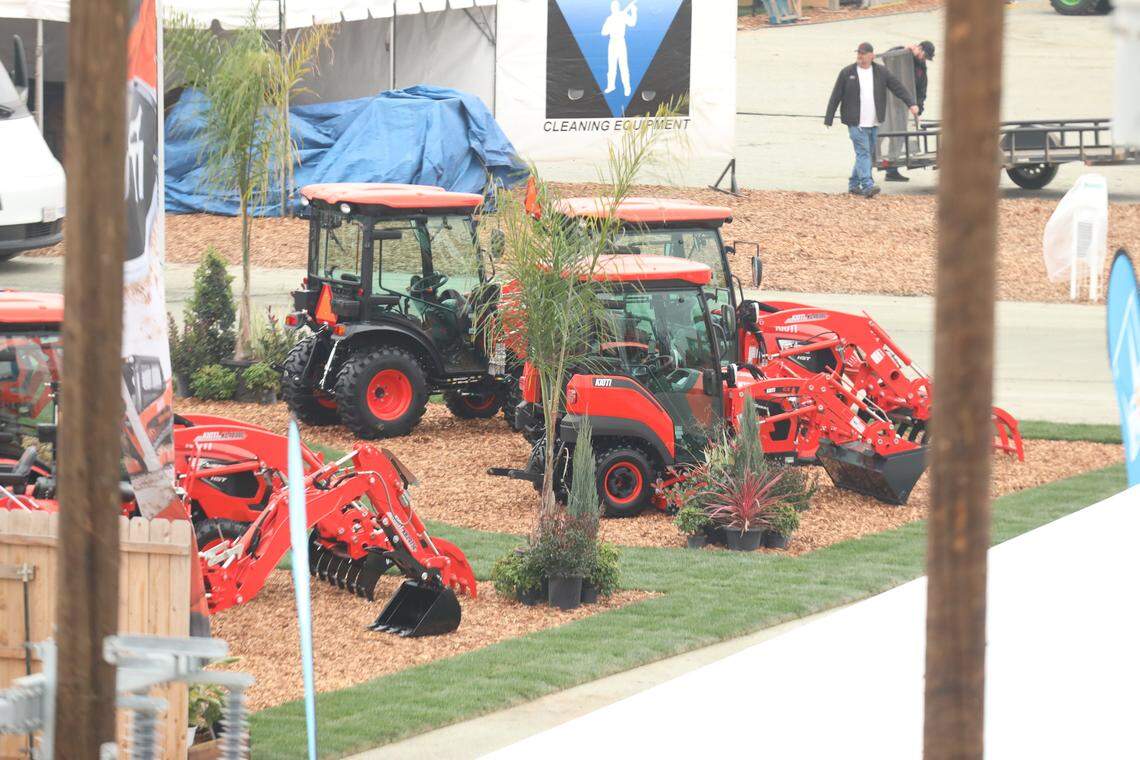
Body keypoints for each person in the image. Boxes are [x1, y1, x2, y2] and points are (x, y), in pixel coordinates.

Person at [824, 42, 918, 198]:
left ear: (872, 56)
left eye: (863, 53)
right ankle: (867, 185)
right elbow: (836, 95)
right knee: (864, 153)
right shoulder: (847, 72)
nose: (860, 56)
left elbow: (897, 87)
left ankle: (854, 185)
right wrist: (829, 118)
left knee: (865, 154)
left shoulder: (881, 72)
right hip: (855, 122)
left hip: (874, 122)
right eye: (858, 53)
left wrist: (911, 104)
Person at [883, 40, 935, 182]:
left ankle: (891, 170)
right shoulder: (904, 56)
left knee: (899, 136)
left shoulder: (921, 69)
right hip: (890, 103)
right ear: (919, 49)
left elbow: (921, 91)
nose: (924, 59)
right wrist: (902, 48)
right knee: (881, 135)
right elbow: (886, 57)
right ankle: (868, 167)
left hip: (905, 106)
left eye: (927, 57)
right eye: (924, 55)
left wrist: (919, 108)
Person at [602, 1, 638, 97]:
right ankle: (611, 86)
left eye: (616, 6)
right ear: (611, 8)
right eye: (613, 6)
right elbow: (603, 32)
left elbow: (632, 23)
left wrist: (634, 12)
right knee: (611, 66)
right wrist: (610, 24)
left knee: (623, 66)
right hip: (612, 43)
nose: (614, 8)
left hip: (621, 42)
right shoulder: (609, 19)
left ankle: (627, 87)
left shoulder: (623, 15)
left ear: (618, 7)